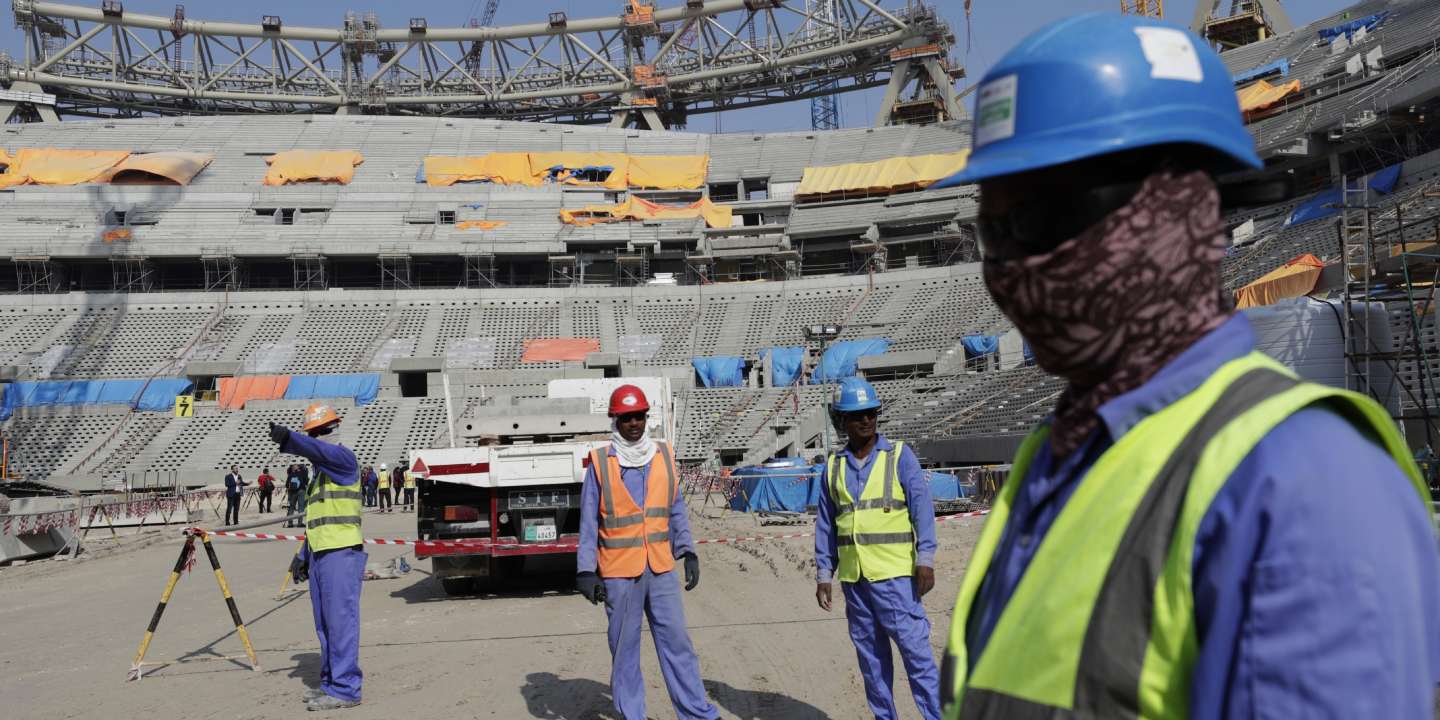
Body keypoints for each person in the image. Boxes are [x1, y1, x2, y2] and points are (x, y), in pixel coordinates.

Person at [933, 14, 1440, 719]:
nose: (1012, 264)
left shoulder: (1301, 483)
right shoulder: (1055, 459)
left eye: (1040, 219)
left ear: (1178, 211)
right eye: (992, 229)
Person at [575, 385, 718, 720]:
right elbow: (588, 522)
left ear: (646, 418)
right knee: (625, 652)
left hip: (661, 569)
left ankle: (698, 714)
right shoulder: (600, 463)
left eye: (639, 416)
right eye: (626, 418)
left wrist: (688, 551)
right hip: (619, 574)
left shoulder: (663, 455)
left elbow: (676, 508)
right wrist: (585, 570)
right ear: (615, 420)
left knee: (678, 646)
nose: (634, 423)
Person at [814, 377, 940, 720]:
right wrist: (824, 574)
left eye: (871, 413)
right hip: (856, 582)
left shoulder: (900, 456)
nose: (866, 420)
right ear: (842, 421)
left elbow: (922, 512)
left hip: (896, 578)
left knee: (918, 658)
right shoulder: (833, 468)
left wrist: (925, 560)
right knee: (872, 664)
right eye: (857, 416)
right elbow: (826, 525)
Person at [269, 403, 365, 711]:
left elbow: (319, 452)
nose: (318, 440)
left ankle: (346, 688)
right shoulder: (319, 477)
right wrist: (303, 555)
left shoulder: (343, 459)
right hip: (321, 554)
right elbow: (317, 519)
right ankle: (330, 684)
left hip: (341, 552)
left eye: (318, 433)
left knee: (340, 623)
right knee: (324, 624)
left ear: (329, 432)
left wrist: (291, 439)